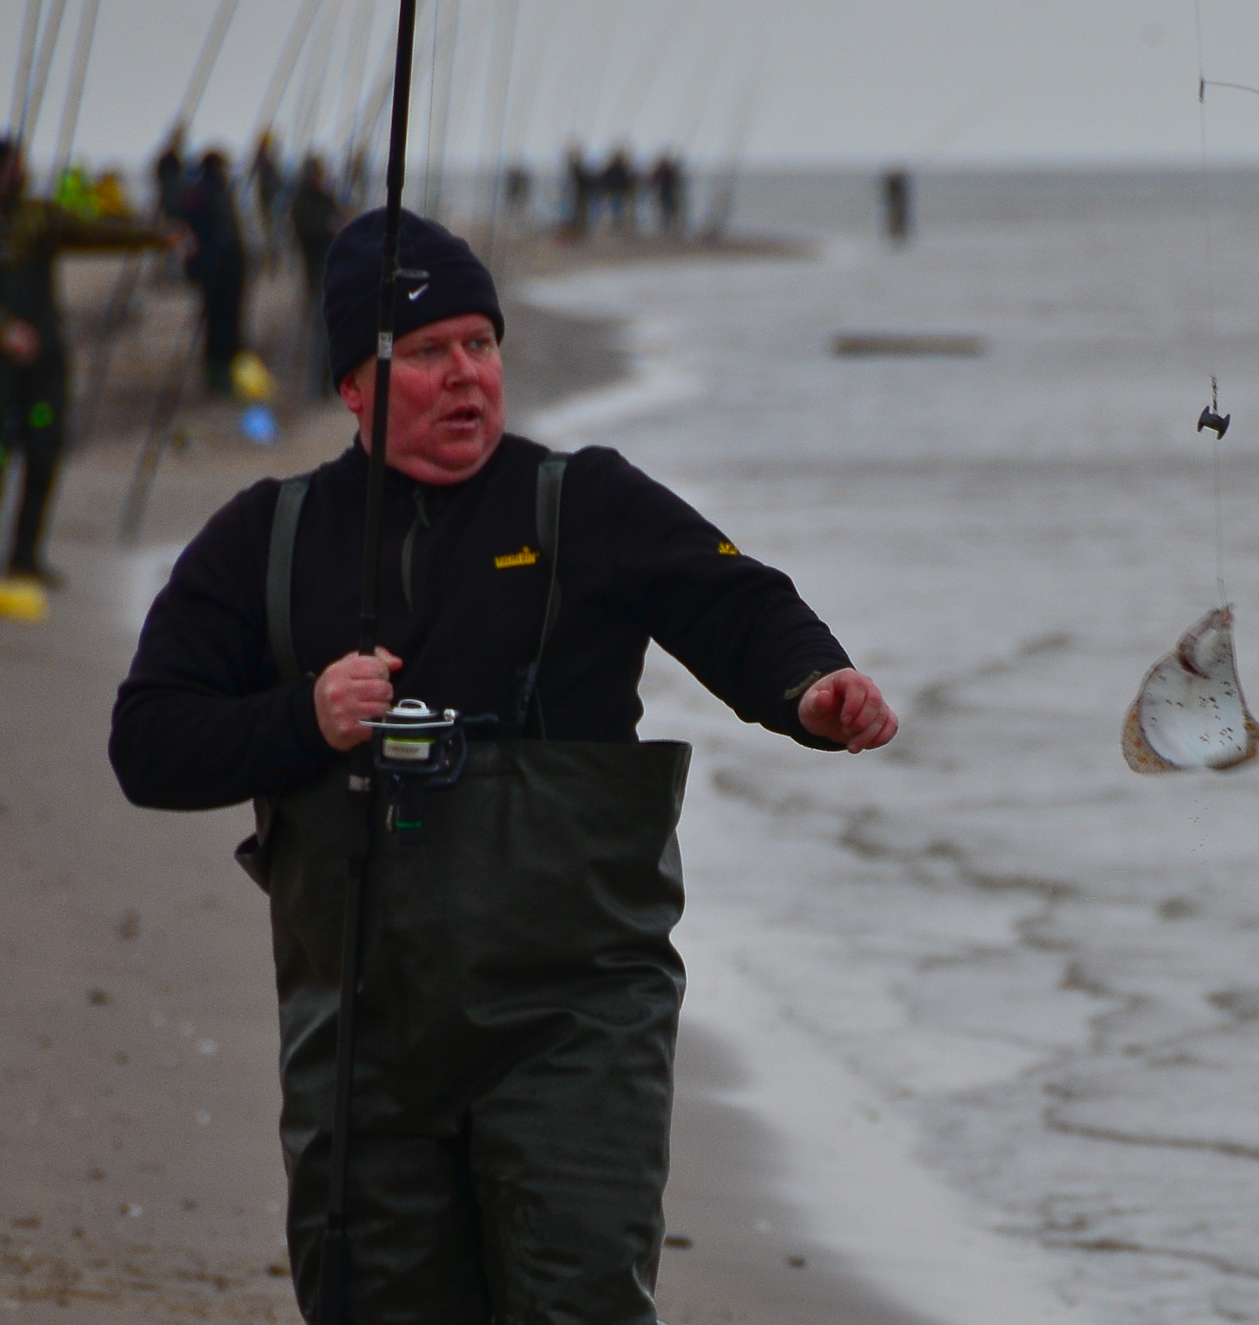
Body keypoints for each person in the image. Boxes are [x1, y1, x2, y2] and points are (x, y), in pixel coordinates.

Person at [108, 208, 897, 1325]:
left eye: (482, 344)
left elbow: (737, 604)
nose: (466, 374)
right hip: (358, 1035)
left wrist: (812, 691)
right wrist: (305, 718)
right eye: (428, 352)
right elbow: (147, 742)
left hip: (574, 1021)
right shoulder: (265, 539)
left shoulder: (585, 501)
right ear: (351, 383)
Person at [0, 135, 174, 582]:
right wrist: (0, 329)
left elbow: (94, 233)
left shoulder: (38, 215)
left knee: (45, 447)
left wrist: (156, 237)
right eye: (14, 163)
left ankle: (25, 554)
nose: (21, 170)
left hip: (44, 360)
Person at [174, 149, 248, 394]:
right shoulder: (203, 193)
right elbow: (192, 232)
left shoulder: (213, 191)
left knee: (226, 321)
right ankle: (218, 377)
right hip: (215, 268)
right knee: (219, 322)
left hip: (226, 267)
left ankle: (224, 374)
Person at [288, 156, 344, 396]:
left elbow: (340, 220)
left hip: (334, 271)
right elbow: (306, 231)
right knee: (320, 328)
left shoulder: (326, 198)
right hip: (316, 272)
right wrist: (327, 227)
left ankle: (332, 382)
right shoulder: (302, 201)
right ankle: (317, 387)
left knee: (334, 329)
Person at [648, 150, 686, 237]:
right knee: (668, 208)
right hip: (667, 191)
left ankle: (668, 225)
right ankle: (669, 225)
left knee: (667, 208)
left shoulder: (665, 170)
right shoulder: (669, 170)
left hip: (666, 191)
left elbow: (654, 179)